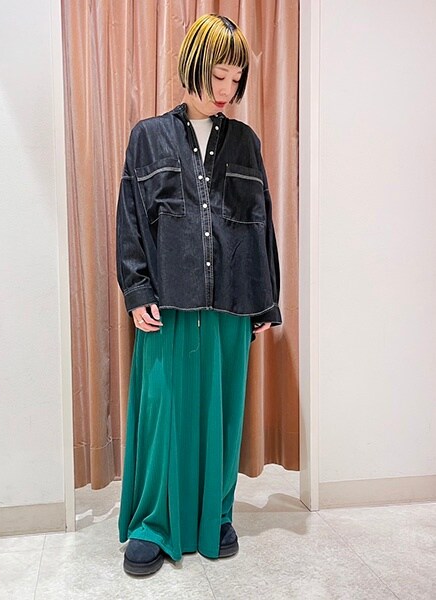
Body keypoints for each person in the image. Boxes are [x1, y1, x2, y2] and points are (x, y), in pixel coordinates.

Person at [115, 13, 282, 576]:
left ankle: (217, 513)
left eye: (236, 79)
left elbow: (260, 224)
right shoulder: (148, 137)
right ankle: (152, 523)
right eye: (219, 76)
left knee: (223, 414)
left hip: (232, 303)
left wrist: (266, 299)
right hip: (168, 302)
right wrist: (136, 288)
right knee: (164, 414)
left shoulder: (246, 142)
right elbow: (131, 220)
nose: (227, 90)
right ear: (193, 66)